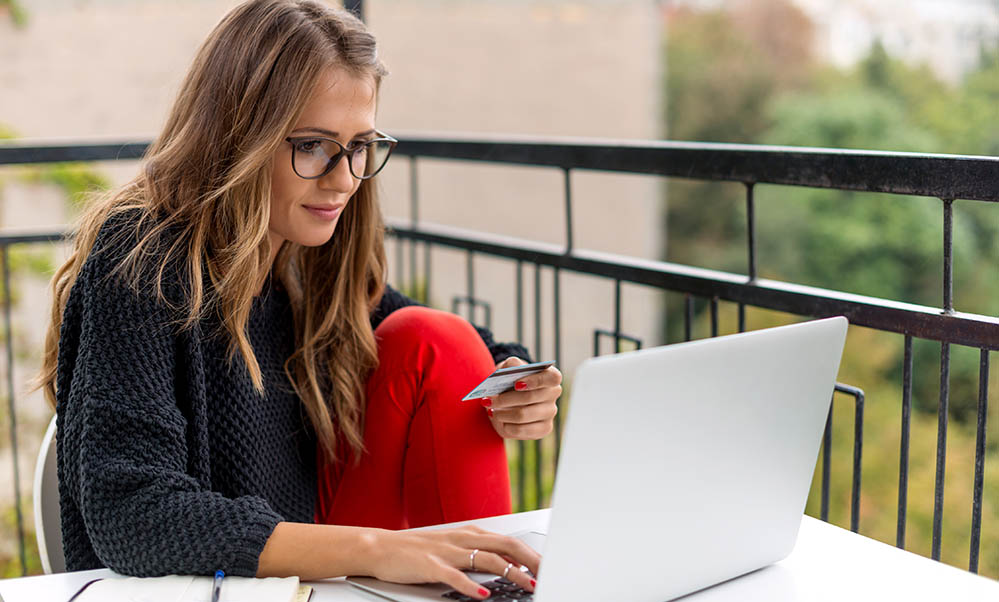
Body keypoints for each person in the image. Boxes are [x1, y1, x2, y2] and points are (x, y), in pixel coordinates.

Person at [32, 1, 562, 599]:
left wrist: (514, 379)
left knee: (439, 341)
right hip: (203, 583)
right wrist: (377, 548)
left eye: (361, 145)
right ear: (240, 135)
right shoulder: (143, 255)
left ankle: (498, 588)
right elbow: (131, 514)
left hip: (313, 558)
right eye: (314, 145)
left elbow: (408, 325)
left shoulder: (306, 251)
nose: (343, 178)